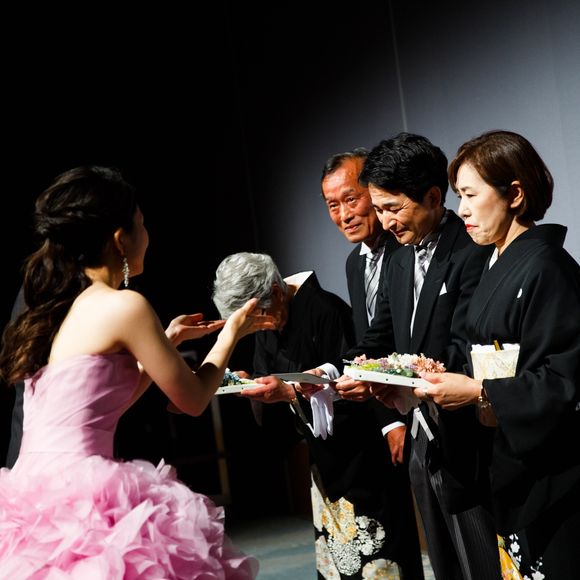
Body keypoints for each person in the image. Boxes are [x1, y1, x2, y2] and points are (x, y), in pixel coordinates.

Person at [0, 165, 275, 578]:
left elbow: (95, 408)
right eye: (142, 224)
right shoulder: (125, 305)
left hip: (30, 495)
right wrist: (231, 333)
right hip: (87, 493)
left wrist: (167, 340)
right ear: (119, 238)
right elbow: (194, 399)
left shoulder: (50, 310)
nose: (147, 235)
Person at [310, 133, 501, 579]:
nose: (386, 221)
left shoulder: (470, 250)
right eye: (379, 209)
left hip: (466, 439)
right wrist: (330, 372)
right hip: (421, 435)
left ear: (433, 197)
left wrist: (391, 378)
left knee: (481, 562)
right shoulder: (399, 258)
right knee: (443, 562)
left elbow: (466, 348)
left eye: (393, 208)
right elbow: (378, 337)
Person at [416, 129, 580, 577]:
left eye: (471, 195)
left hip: (549, 472)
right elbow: (478, 354)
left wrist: (479, 392)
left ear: (515, 194)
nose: (462, 209)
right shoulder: (494, 262)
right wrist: (429, 379)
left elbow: (564, 380)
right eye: (459, 196)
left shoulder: (547, 267)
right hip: (505, 458)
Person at [212, 252, 424, 580]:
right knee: (337, 561)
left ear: (276, 292)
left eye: (258, 317)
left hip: (360, 452)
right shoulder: (270, 318)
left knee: (379, 558)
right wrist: (252, 383)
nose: (257, 326)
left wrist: (289, 392)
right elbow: (269, 375)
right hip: (322, 459)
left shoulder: (325, 310)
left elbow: (352, 383)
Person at [320, 149, 425, 578]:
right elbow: (369, 344)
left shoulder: (408, 248)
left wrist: (395, 419)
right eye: (333, 205)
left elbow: (401, 340)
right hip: (380, 411)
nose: (344, 214)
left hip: (419, 401)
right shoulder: (355, 262)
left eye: (352, 199)